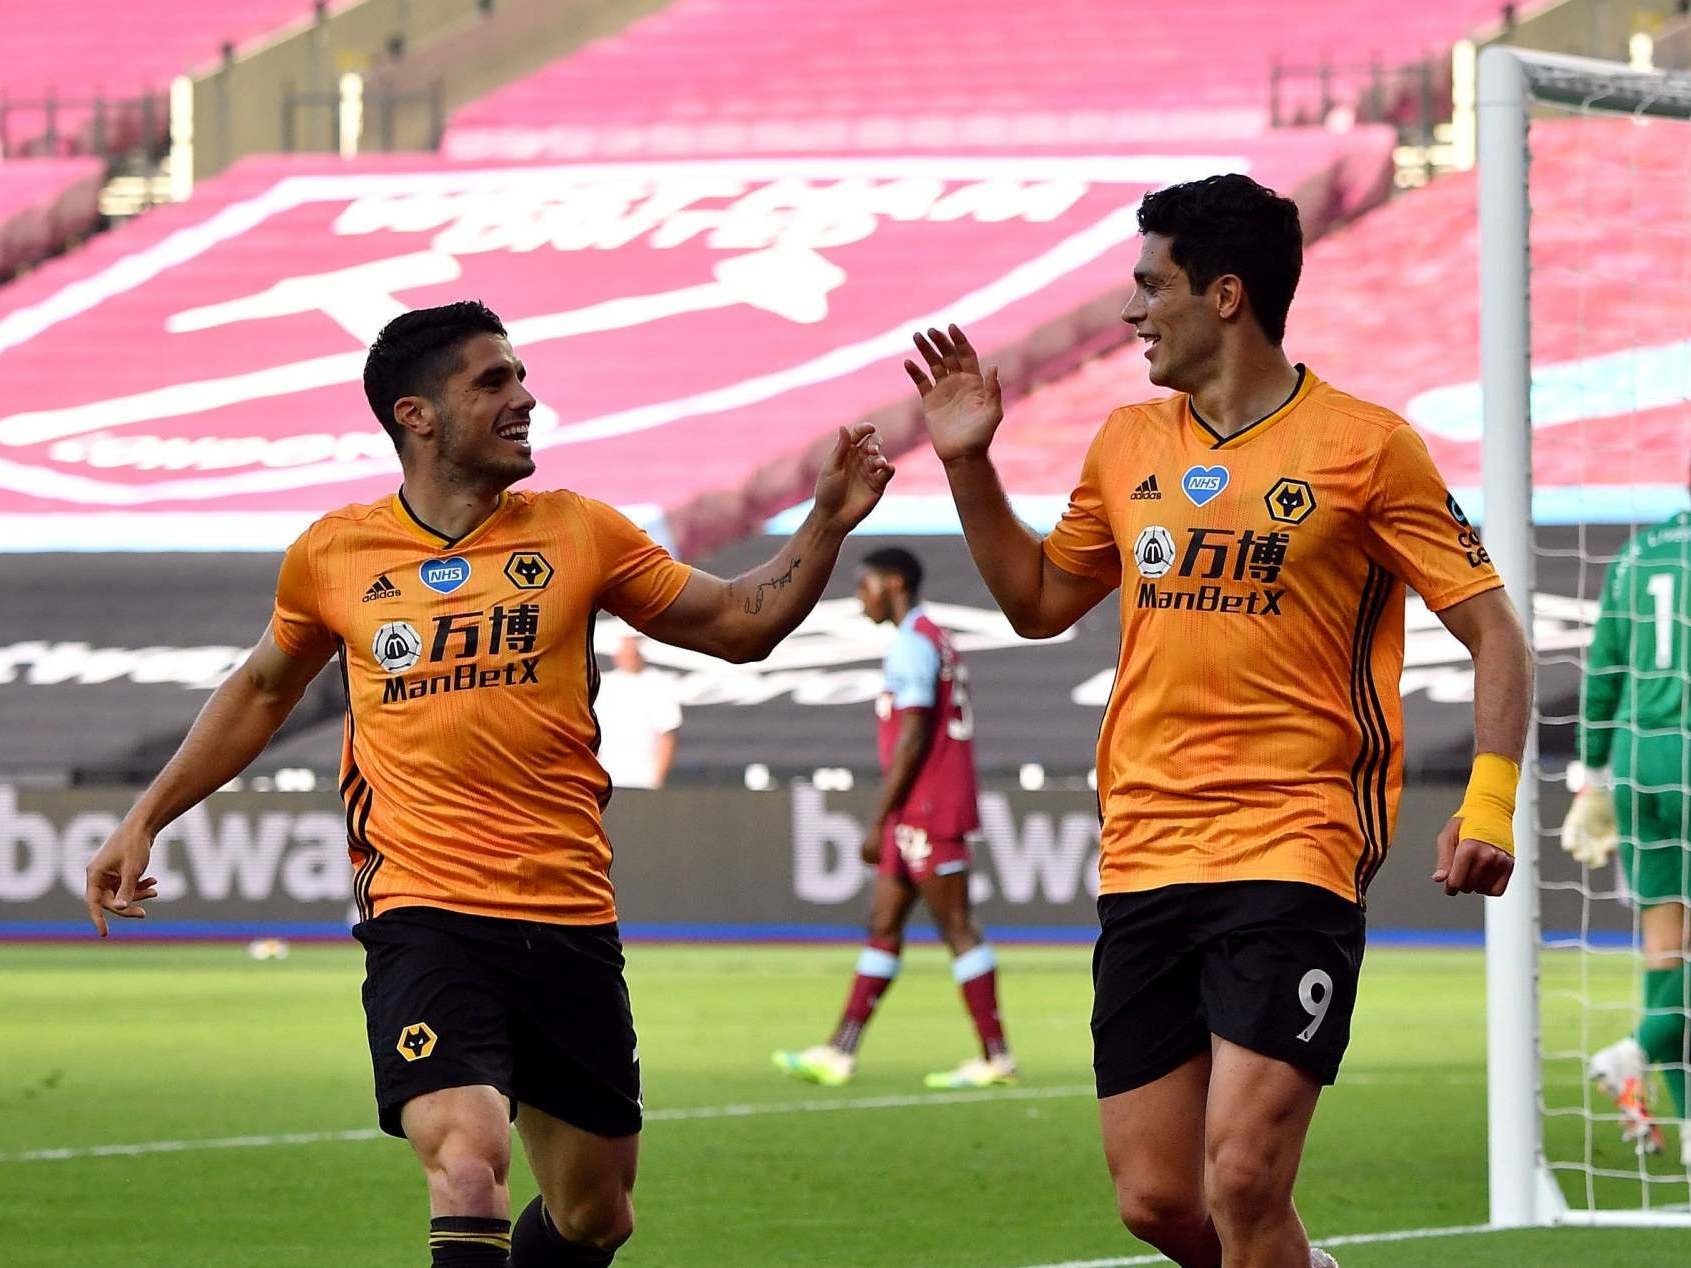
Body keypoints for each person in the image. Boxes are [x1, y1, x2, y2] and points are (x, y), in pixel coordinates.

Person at [81, 301, 893, 1268]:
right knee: (467, 1165)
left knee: (596, 1215)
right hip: (423, 910)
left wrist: (827, 521)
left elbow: (736, 625)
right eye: (494, 381)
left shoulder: (580, 532)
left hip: (565, 911)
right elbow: (261, 690)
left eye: (520, 376)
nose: (525, 397)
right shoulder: (334, 553)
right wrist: (146, 817)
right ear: (417, 415)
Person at [903, 174, 1532, 1268]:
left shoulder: (1365, 447)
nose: (1129, 312)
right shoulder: (1124, 443)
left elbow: (1497, 636)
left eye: (1150, 286)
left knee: (1240, 1175)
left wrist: (1488, 801)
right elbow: (1038, 602)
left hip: (1295, 840)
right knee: (1158, 1201)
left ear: (1225, 294)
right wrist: (966, 461)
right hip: (1145, 851)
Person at [773, 546, 1015, 1090]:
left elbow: (912, 736)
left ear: (894, 584)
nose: (861, 598)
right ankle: (840, 1051)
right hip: (919, 807)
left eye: (866, 586)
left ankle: (996, 1055)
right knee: (883, 925)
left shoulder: (912, 645)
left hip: (927, 808)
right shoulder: (933, 638)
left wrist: (881, 817)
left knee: (956, 928)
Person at [1563, 507, 1691, 1166]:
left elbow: (1605, 667)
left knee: (1664, 948)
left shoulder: (1638, 552)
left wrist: (1590, 772)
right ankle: (1634, 1050)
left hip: (1638, 757)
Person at [594, 634, 683, 790]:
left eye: (632, 650)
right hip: (607, 779)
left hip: (645, 780)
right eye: (624, 650)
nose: (628, 655)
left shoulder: (658, 684)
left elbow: (667, 736)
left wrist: (657, 779)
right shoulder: (603, 685)